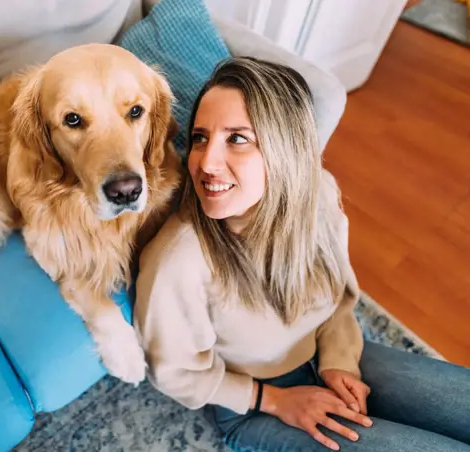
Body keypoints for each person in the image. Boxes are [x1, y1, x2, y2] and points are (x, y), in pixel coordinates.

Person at [132, 56, 470, 452]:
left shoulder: (320, 196)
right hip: (248, 408)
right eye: (201, 138)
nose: (205, 162)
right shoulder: (178, 260)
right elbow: (174, 372)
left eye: (237, 138)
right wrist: (272, 400)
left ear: (285, 149)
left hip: (324, 350)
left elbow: (338, 300)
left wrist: (340, 360)